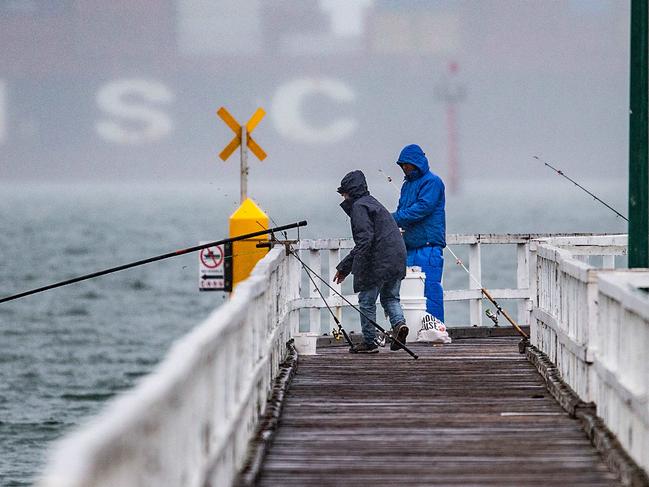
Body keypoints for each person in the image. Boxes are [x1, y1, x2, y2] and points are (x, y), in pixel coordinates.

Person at [334, 170, 409, 354]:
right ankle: (399, 325)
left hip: (379, 260)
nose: (343, 196)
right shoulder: (372, 202)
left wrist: (350, 269)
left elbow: (365, 241)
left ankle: (369, 341)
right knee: (391, 298)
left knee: (366, 301)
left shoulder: (359, 207)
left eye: (343, 192)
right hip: (397, 256)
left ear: (349, 191)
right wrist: (346, 267)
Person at [392, 144, 446, 322]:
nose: (405, 168)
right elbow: (404, 209)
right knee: (409, 292)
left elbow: (422, 208)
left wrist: (391, 219)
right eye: (402, 165)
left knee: (429, 291)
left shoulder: (432, 182)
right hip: (409, 248)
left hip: (428, 247)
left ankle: (434, 328)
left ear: (417, 163)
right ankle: (415, 331)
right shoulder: (407, 185)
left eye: (407, 164)